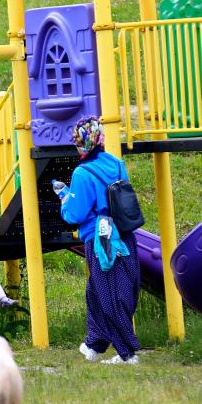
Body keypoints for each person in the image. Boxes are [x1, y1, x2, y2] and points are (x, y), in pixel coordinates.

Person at [55, 116, 141, 365]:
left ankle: (127, 353)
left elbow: (76, 213)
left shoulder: (82, 173)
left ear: (81, 143)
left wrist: (64, 199)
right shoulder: (116, 163)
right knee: (98, 292)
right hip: (123, 234)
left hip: (100, 239)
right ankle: (95, 344)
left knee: (109, 293)